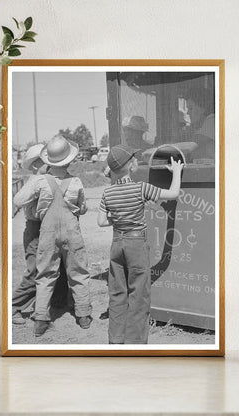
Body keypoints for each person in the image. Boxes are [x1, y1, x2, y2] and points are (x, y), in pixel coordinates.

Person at [97, 144, 183, 344]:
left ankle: (116, 340)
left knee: (117, 292)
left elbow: (101, 222)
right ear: (130, 166)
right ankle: (135, 343)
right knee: (139, 293)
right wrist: (176, 172)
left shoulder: (107, 193)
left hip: (117, 242)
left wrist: (118, 220)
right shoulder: (140, 188)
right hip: (136, 243)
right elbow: (173, 193)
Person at [30, 135, 92, 336]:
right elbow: (82, 209)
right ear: (70, 159)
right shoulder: (76, 182)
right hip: (72, 231)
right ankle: (83, 315)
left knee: (45, 275)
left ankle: (40, 319)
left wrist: (34, 211)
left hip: (47, 233)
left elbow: (18, 199)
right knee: (79, 273)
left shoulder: (40, 181)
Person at [12, 145, 68, 324]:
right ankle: (14, 307)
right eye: (45, 162)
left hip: (50, 226)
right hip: (36, 228)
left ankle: (57, 302)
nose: (50, 165)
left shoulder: (50, 179)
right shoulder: (35, 180)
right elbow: (18, 200)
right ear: (36, 164)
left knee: (58, 265)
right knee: (35, 270)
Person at [184, 87, 215, 161]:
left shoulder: (212, 121)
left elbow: (191, 144)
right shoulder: (201, 126)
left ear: (203, 108)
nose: (188, 113)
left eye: (191, 108)